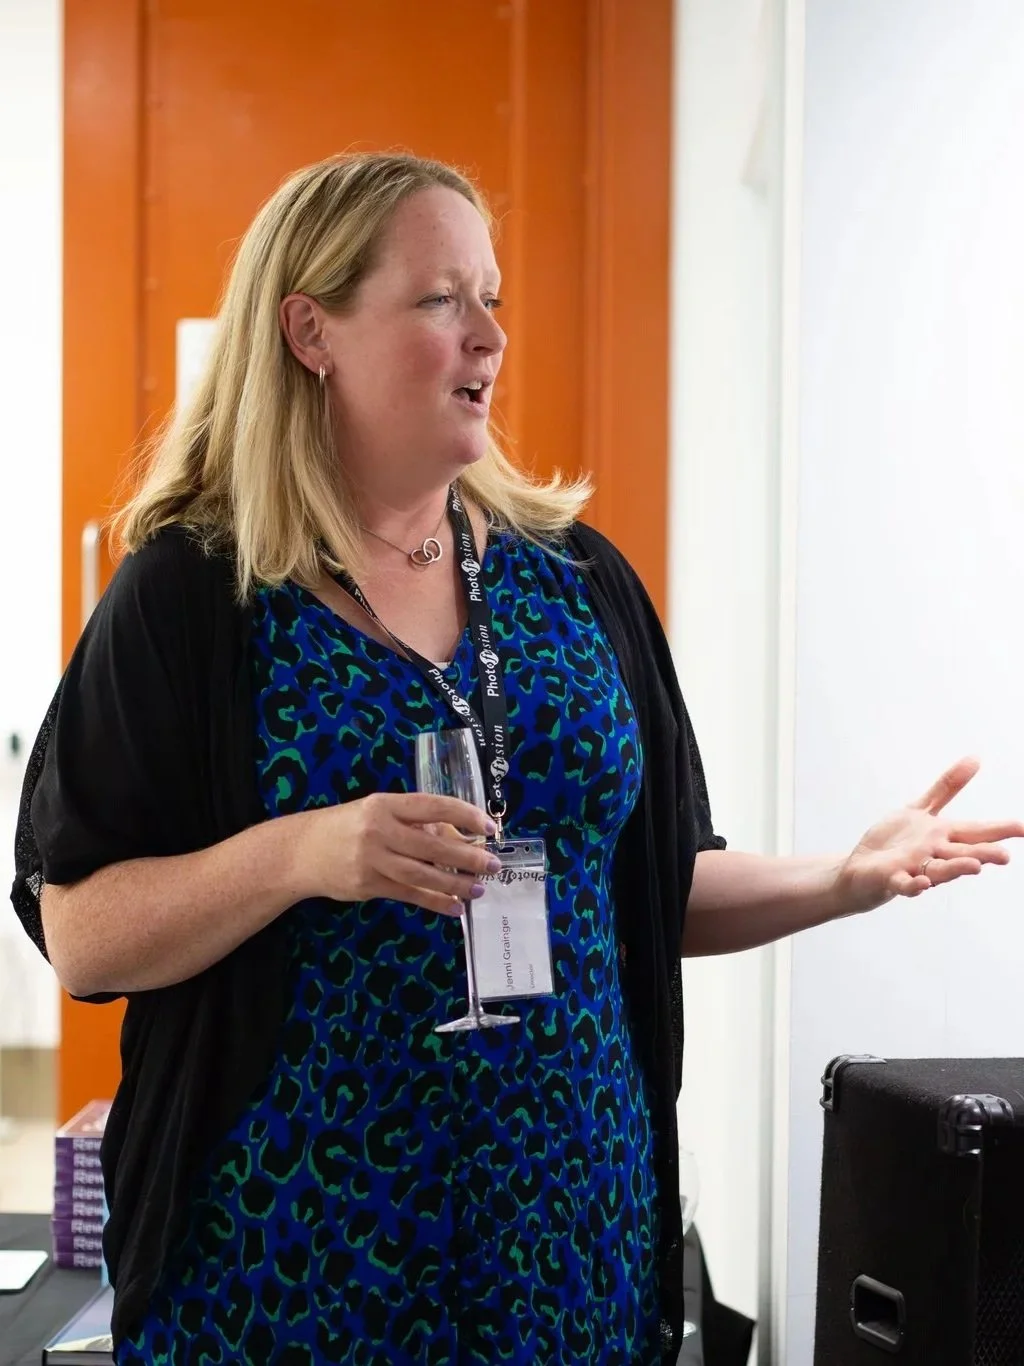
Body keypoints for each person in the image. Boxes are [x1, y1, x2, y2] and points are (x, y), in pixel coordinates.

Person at [10, 151, 1022, 1366]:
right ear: (310, 329)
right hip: (293, 1243)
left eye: (490, 297)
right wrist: (303, 853)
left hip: (568, 1225)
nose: (488, 334)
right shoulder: (194, 593)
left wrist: (842, 878)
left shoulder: (577, 582)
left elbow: (641, 887)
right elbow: (85, 933)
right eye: (440, 300)